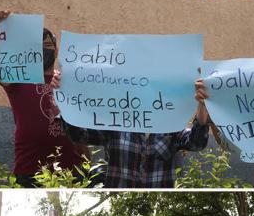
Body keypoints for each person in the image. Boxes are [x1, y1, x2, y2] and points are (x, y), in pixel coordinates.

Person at [0, 11, 89, 186]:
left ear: (56, 51)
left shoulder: (70, 81)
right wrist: (0, 27)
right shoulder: (18, 78)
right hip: (30, 173)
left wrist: (87, 162)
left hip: (72, 173)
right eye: (38, 46)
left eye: (47, 45)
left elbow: (80, 126)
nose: (43, 50)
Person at [57, 79, 211, 188]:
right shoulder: (115, 124)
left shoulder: (170, 126)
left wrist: (202, 106)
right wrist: (65, 99)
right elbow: (79, 135)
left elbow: (196, 143)